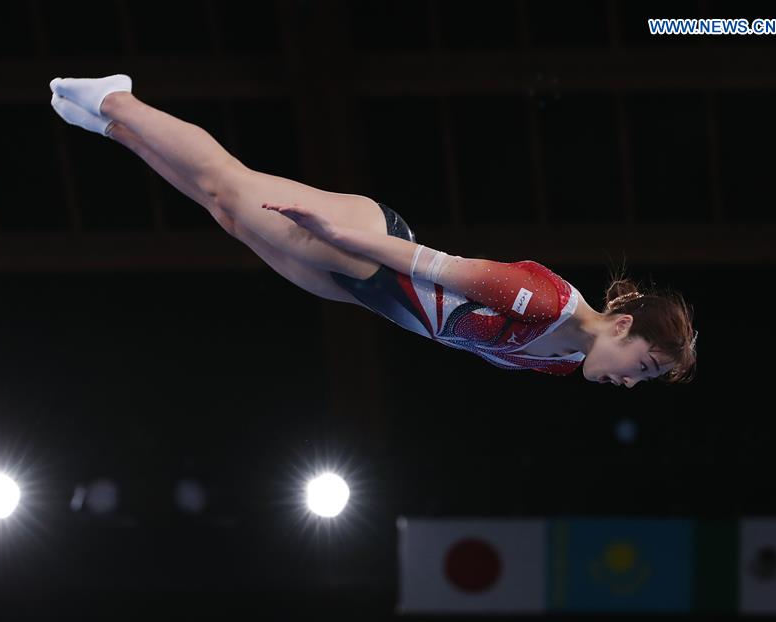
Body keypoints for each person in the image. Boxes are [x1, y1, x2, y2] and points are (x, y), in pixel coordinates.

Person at [49, 74, 697, 388]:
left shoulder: (565, 362)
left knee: (226, 216)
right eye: (640, 366)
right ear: (621, 326)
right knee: (231, 187)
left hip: (371, 294)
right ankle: (116, 99)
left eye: (642, 380)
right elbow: (430, 262)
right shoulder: (543, 299)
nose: (629, 383)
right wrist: (335, 232)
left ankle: (111, 129)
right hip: (373, 247)